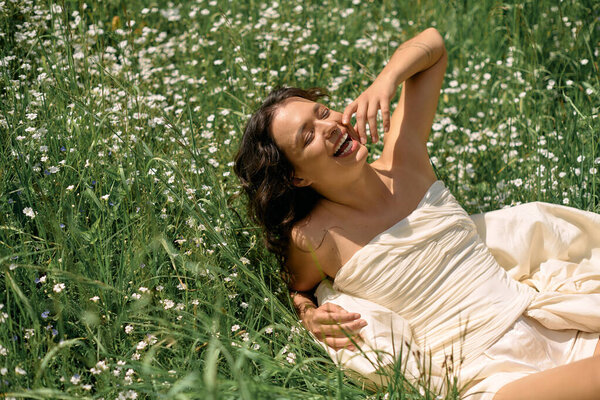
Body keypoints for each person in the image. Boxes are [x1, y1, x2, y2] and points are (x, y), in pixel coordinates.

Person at [234, 27, 600, 399]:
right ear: (295, 176)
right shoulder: (314, 236)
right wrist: (309, 315)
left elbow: (434, 46)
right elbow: (298, 287)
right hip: (486, 376)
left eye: (324, 113)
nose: (329, 127)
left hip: (544, 321)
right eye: (307, 136)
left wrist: (386, 81)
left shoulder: (404, 160)